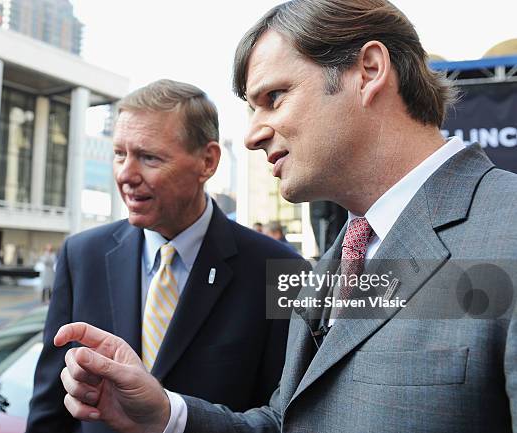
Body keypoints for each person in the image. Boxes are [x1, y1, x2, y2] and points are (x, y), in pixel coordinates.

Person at [53, 1, 517, 432]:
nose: (253, 135)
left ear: (369, 71)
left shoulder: (507, 228)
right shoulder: (342, 257)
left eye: (274, 97)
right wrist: (167, 413)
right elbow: (289, 420)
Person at [26, 79, 299, 433]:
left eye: (149, 157)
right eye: (120, 154)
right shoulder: (82, 255)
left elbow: (283, 417)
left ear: (208, 161)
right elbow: (49, 410)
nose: (126, 174)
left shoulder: (278, 270)